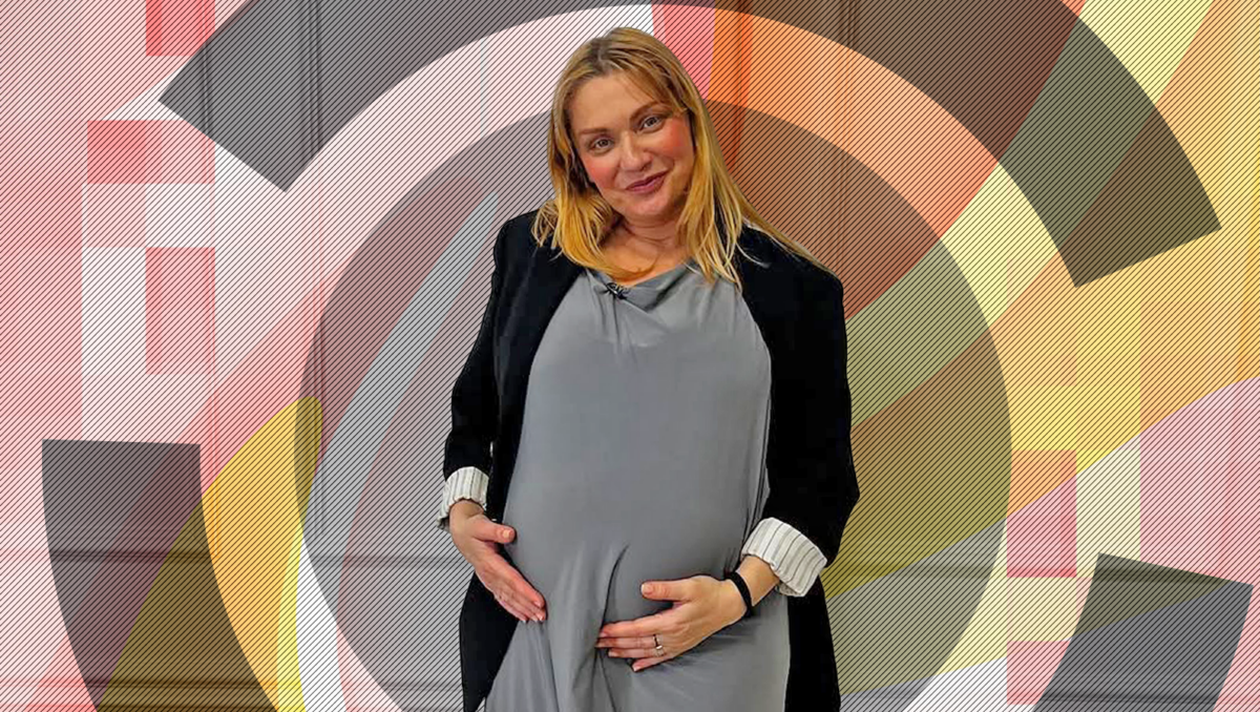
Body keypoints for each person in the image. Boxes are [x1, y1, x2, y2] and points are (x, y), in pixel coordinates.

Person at [436, 27, 860, 712]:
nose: (632, 158)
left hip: (719, 655)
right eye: (601, 142)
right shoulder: (531, 253)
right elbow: (475, 412)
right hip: (534, 640)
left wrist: (735, 597)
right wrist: (463, 517)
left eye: (649, 122)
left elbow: (822, 480)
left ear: (689, 120)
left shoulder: (792, 289)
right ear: (578, 161)